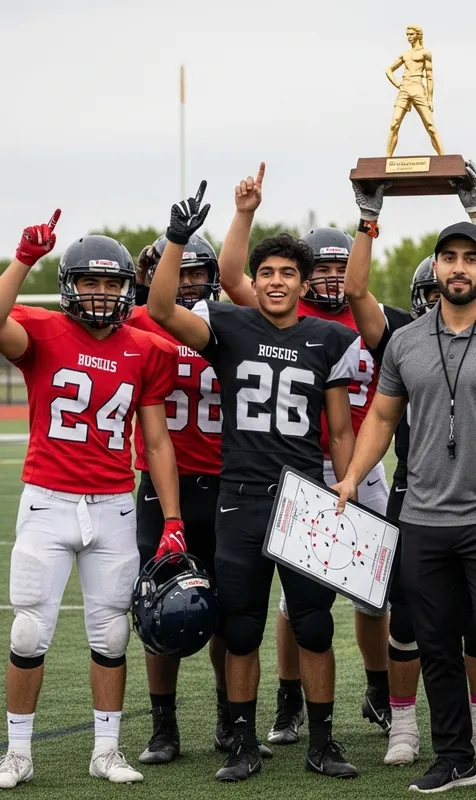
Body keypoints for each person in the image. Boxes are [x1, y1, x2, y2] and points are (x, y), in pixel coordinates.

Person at [336, 221, 476, 800]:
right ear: (435, 268)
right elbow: (382, 418)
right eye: (448, 258)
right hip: (423, 519)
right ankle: (455, 757)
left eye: (470, 258)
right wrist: (353, 476)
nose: (458, 268)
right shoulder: (407, 341)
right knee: (434, 646)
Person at [148, 182, 361, 782]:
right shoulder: (232, 326)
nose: (274, 281)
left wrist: (345, 490)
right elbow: (162, 309)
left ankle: (322, 740)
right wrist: (177, 240)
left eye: (286, 273)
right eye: (265, 271)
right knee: (240, 626)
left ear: (303, 281)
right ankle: (242, 740)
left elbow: (340, 431)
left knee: (314, 623)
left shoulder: (331, 338)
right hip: (240, 495)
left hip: (306, 496)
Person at [0, 216, 181, 788]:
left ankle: (106, 750)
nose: (102, 294)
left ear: (129, 288)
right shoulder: (43, 331)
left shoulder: (146, 349)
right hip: (48, 500)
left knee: (112, 634)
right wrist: (23, 259)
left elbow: (155, 440)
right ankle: (17, 752)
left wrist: (172, 519)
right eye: (91, 283)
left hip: (113, 504)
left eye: (112, 284)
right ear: (70, 286)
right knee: (29, 631)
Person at [217, 163, 392, 744]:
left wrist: (350, 479)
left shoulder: (363, 320)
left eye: (344, 268)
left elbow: (354, 420)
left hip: (359, 465)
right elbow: (235, 279)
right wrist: (243, 214)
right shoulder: (282, 311)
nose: (334, 279)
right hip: (291, 465)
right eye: (328, 269)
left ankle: (377, 687)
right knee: (296, 608)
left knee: (372, 590)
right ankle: (289, 704)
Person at [128, 234, 258, 764]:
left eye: (193, 271)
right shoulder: (137, 320)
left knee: (229, 614)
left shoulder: (231, 323)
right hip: (164, 489)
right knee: (159, 609)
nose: (185, 282)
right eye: (174, 272)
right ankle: (164, 728)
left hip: (226, 482)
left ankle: (231, 720)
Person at [385, 25, 443, 158]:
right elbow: (389, 70)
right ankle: (387, 159)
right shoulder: (405, 54)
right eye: (407, 35)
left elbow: (429, 77)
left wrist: (430, 99)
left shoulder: (425, 53)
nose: (409, 37)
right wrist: (397, 85)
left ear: (418, 35)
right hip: (404, 88)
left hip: (417, 87)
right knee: (394, 123)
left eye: (411, 34)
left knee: (430, 125)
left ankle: (443, 157)